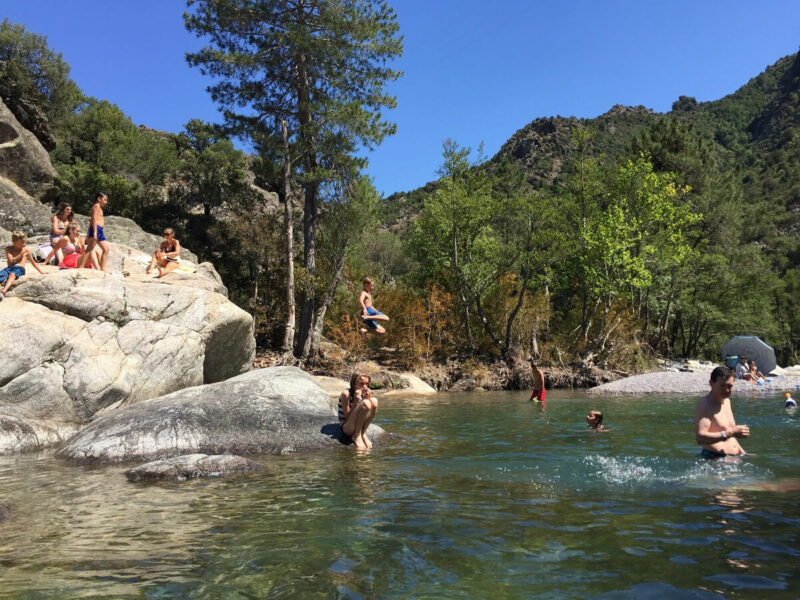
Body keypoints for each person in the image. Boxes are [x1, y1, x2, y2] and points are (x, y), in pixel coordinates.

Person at [695, 365, 749, 459]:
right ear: (711, 383)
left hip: (733, 459)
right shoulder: (705, 404)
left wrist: (743, 452)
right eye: (722, 385)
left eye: (729, 386)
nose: (726, 390)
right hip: (714, 459)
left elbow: (731, 433)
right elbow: (700, 438)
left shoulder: (727, 401)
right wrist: (730, 432)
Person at [338, 372, 379, 450]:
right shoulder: (346, 394)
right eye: (361, 384)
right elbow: (347, 417)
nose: (364, 387)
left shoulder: (363, 392)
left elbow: (366, 413)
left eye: (367, 384)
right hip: (347, 427)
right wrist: (356, 401)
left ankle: (363, 433)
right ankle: (356, 436)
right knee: (365, 403)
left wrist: (367, 397)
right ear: (353, 383)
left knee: (374, 401)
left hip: (359, 424)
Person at [1, 231, 45, 301]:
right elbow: (11, 261)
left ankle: (3, 292)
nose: (24, 244)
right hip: (9, 268)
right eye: (22, 242)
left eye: (25, 242)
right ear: (14, 242)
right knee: (1, 274)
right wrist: (21, 254)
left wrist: (41, 272)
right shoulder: (8, 249)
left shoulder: (26, 250)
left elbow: (33, 263)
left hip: (19, 268)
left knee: (12, 275)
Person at [79, 192, 110, 272]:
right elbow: (94, 219)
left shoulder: (99, 207)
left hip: (99, 230)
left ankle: (103, 268)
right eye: (105, 200)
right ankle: (81, 266)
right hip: (96, 229)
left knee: (106, 249)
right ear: (99, 199)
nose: (106, 202)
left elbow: (91, 220)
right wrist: (95, 232)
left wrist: (88, 234)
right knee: (89, 248)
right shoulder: (96, 206)